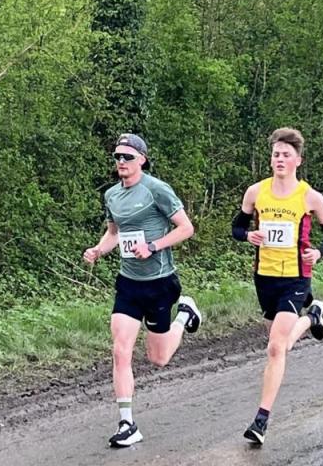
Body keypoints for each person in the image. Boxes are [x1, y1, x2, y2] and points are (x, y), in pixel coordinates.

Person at [83, 133, 203, 448]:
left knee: (159, 358)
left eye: (128, 157)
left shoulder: (156, 190)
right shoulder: (111, 195)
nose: (121, 162)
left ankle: (185, 314)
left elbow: (186, 228)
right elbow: (114, 233)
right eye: (117, 157)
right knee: (120, 350)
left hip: (159, 283)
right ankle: (127, 423)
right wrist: (98, 250)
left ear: (142, 160)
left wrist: (153, 246)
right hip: (128, 283)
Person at [231, 127, 323, 446]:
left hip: (296, 276)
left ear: (298, 161)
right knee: (281, 344)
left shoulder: (310, 196)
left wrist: (319, 251)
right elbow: (237, 227)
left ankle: (261, 421)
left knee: (276, 348)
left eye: (285, 155)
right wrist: (247, 236)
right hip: (264, 278)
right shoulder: (255, 192)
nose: (279, 159)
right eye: (276, 154)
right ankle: (312, 318)